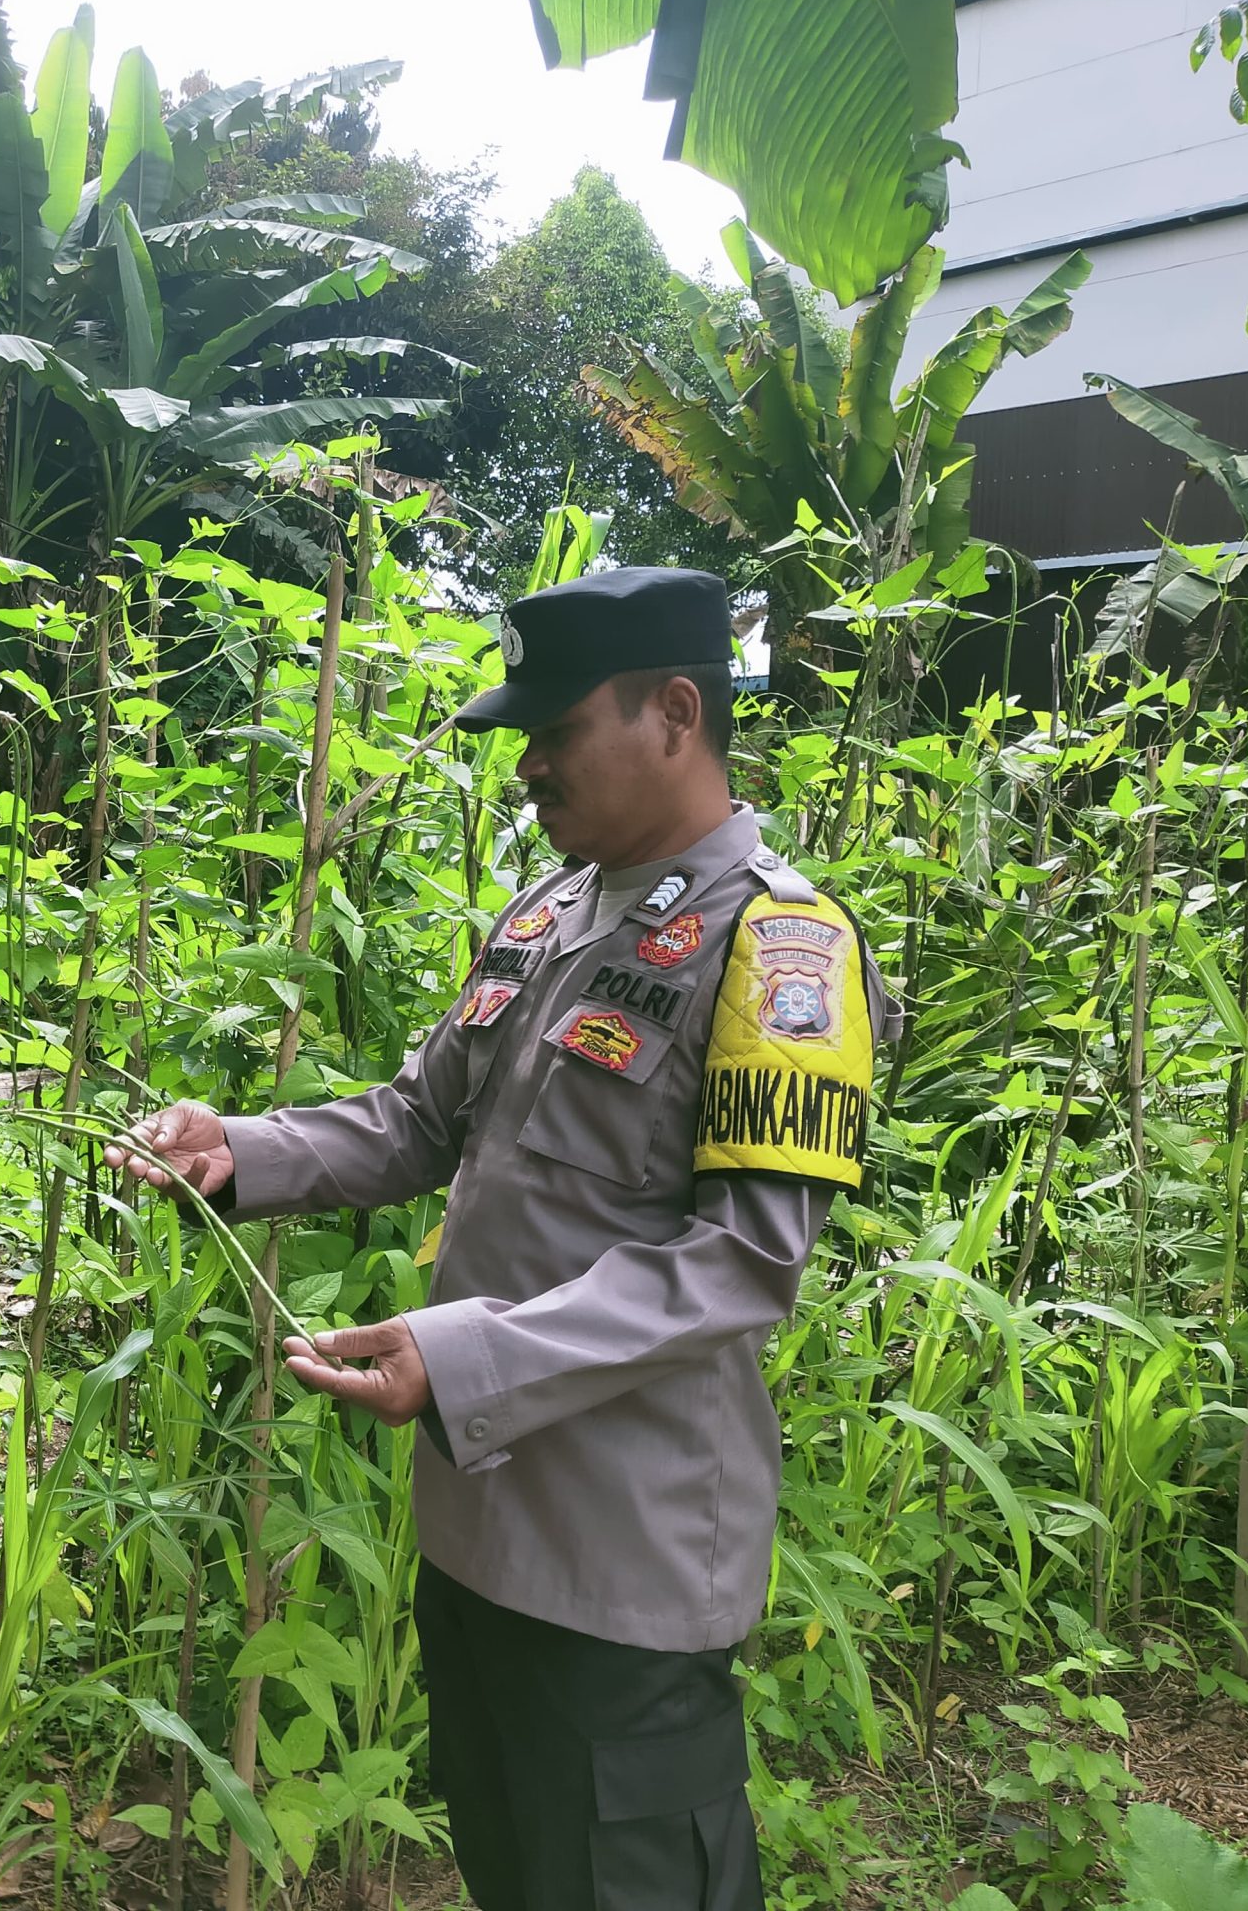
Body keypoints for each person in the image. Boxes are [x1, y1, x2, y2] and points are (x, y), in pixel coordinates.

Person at [104, 566, 896, 1911]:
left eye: (556, 731)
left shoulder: (780, 947)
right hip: (478, 1539)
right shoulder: (546, 915)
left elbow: (742, 1262)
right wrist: (243, 1150)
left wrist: (456, 1358)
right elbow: (419, 1123)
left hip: (623, 1567)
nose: (527, 764)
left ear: (676, 714)